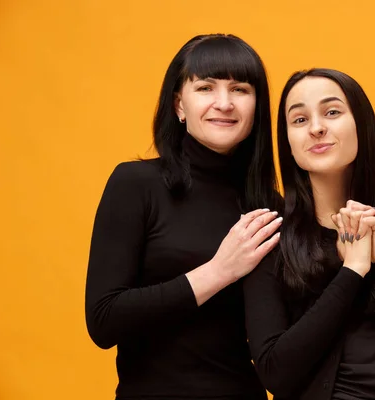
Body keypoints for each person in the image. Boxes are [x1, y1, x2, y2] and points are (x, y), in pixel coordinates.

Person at [85, 34, 282, 399]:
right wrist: (219, 271)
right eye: (206, 87)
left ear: (257, 106)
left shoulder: (270, 208)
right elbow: (103, 321)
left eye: (240, 89)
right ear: (179, 104)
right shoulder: (135, 184)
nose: (224, 103)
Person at [243, 68, 375, 400]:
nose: (316, 128)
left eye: (332, 112)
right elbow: (275, 373)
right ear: (287, 141)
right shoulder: (270, 236)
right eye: (299, 120)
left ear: (362, 124)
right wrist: (352, 271)